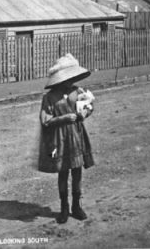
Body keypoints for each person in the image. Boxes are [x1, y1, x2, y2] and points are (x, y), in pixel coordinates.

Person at [38, 53, 95, 224]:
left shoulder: (78, 92)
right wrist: (64, 118)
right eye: (68, 78)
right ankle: (64, 207)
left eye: (73, 77)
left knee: (77, 172)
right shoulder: (49, 98)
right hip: (60, 139)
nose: (71, 81)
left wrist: (85, 112)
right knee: (63, 172)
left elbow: (89, 106)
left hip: (76, 135)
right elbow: (45, 120)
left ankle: (76, 206)